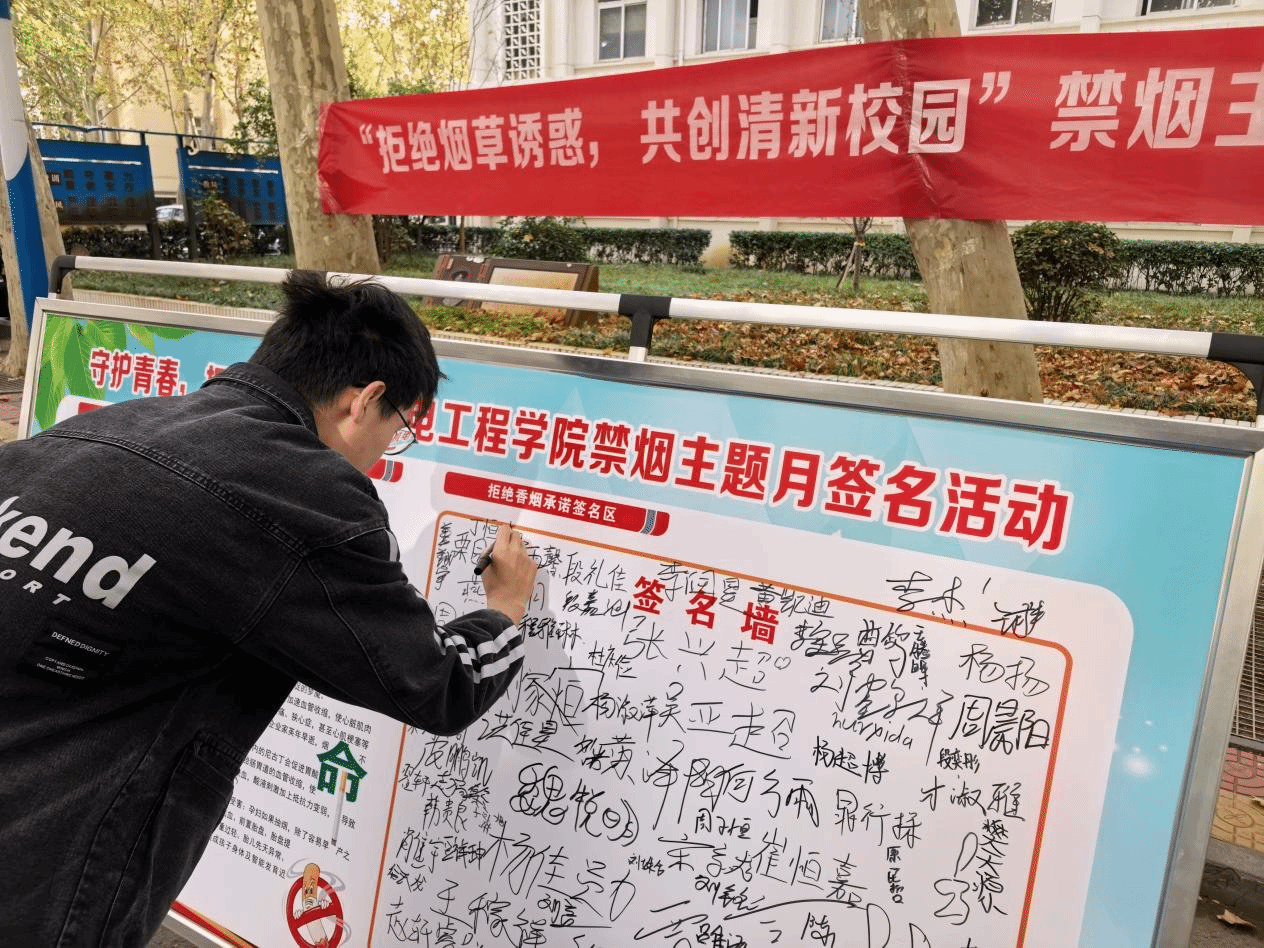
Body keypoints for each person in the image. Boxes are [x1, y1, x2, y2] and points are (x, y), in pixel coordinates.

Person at [0, 269, 538, 947]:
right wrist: (504, 608)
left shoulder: (105, 425)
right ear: (365, 399)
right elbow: (438, 684)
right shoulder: (306, 494)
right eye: (399, 429)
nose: (383, 456)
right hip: (45, 872)